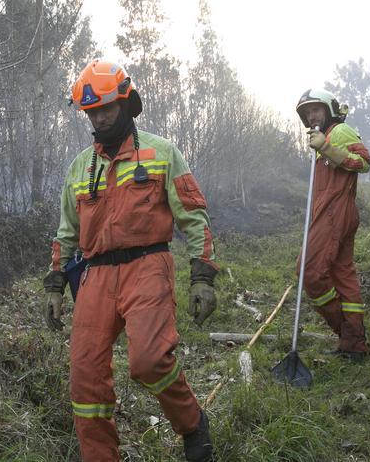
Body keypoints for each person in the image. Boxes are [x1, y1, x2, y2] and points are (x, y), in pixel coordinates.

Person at [43, 59, 218, 462]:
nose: (100, 119)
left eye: (106, 108)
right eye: (92, 112)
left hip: (148, 266)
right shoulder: (78, 168)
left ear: (126, 103)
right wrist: (55, 283)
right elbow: (66, 232)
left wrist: (202, 276)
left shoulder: (162, 153)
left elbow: (194, 216)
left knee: (150, 360)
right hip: (95, 275)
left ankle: (192, 424)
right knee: (85, 379)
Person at [295, 89, 370, 362]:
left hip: (335, 214)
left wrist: (326, 148)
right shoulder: (323, 139)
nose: (311, 116)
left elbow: (364, 162)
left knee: (310, 271)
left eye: (316, 110)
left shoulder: (339, 131)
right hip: (334, 214)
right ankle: (353, 345)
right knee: (342, 276)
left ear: (329, 109)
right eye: (307, 113)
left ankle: (347, 335)